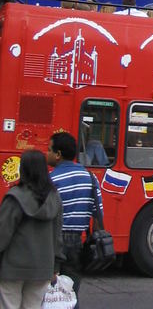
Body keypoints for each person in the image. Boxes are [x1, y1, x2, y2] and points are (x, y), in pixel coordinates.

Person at [0, 149, 63, 309]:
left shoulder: (15, 197)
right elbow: (57, 236)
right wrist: (55, 266)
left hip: (12, 266)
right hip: (43, 267)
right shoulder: (54, 198)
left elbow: (3, 233)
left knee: (8, 305)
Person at [48, 132, 103, 309]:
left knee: (49, 294)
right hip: (77, 241)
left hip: (53, 241)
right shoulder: (91, 178)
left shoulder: (51, 180)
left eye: (49, 149)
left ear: (58, 154)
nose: (46, 153)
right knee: (70, 292)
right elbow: (97, 211)